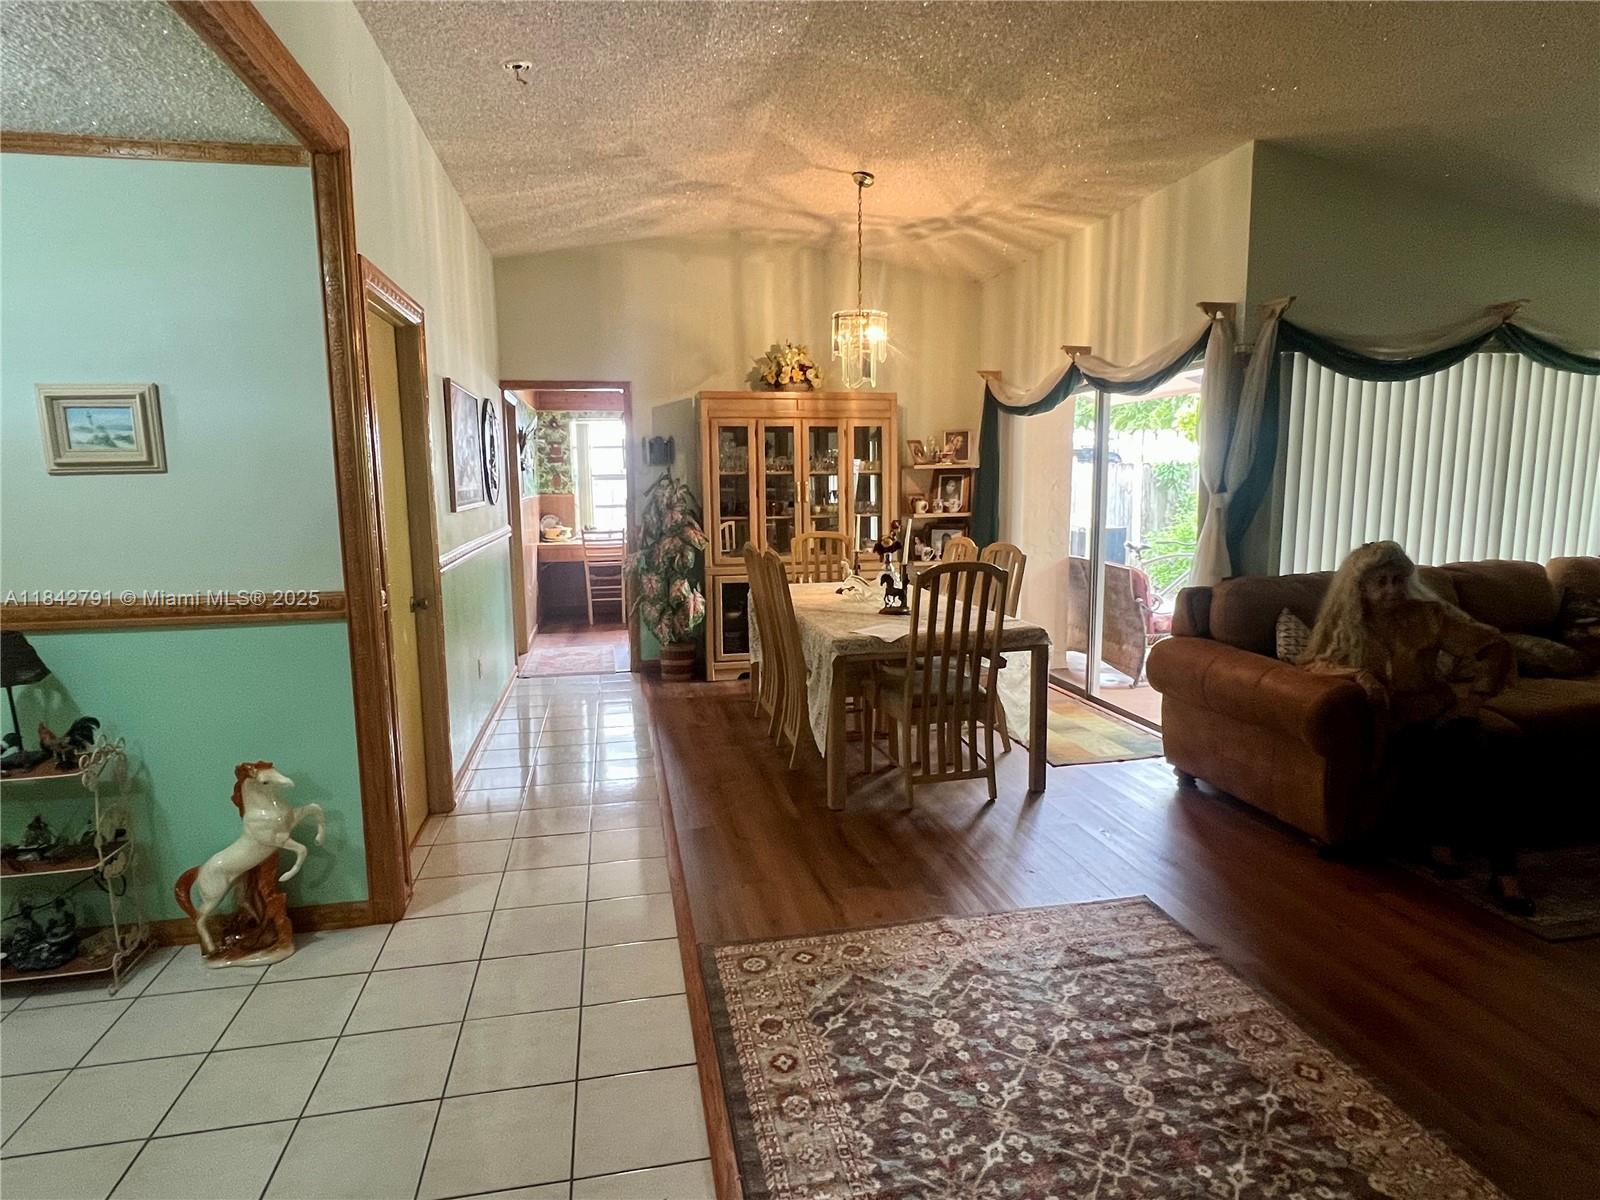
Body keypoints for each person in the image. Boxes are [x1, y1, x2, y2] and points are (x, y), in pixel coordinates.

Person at [1301, 541, 1531, 915]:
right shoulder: (1343, 623)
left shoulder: (1430, 615)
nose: (1392, 590)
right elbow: (1313, 665)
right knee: (1455, 756)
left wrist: (1473, 701)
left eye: (1398, 580)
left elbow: (1494, 645)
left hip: (1438, 715)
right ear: (1361, 587)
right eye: (1381, 582)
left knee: (1481, 756)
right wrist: (1359, 675)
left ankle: (1505, 872)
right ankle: (1443, 845)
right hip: (1388, 725)